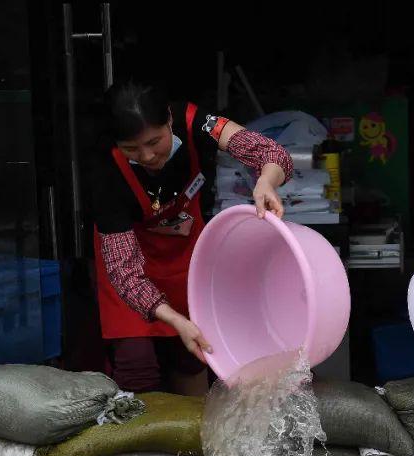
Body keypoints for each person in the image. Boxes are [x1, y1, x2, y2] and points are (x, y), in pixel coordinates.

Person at [92, 80, 293, 395]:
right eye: (131, 148)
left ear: (169, 120)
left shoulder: (196, 123)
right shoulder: (105, 169)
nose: (145, 156)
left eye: (155, 141)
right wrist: (175, 320)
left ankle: (196, 437)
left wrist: (266, 181)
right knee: (137, 366)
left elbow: (270, 152)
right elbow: (124, 272)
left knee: (193, 358)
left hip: (188, 259)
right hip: (131, 268)